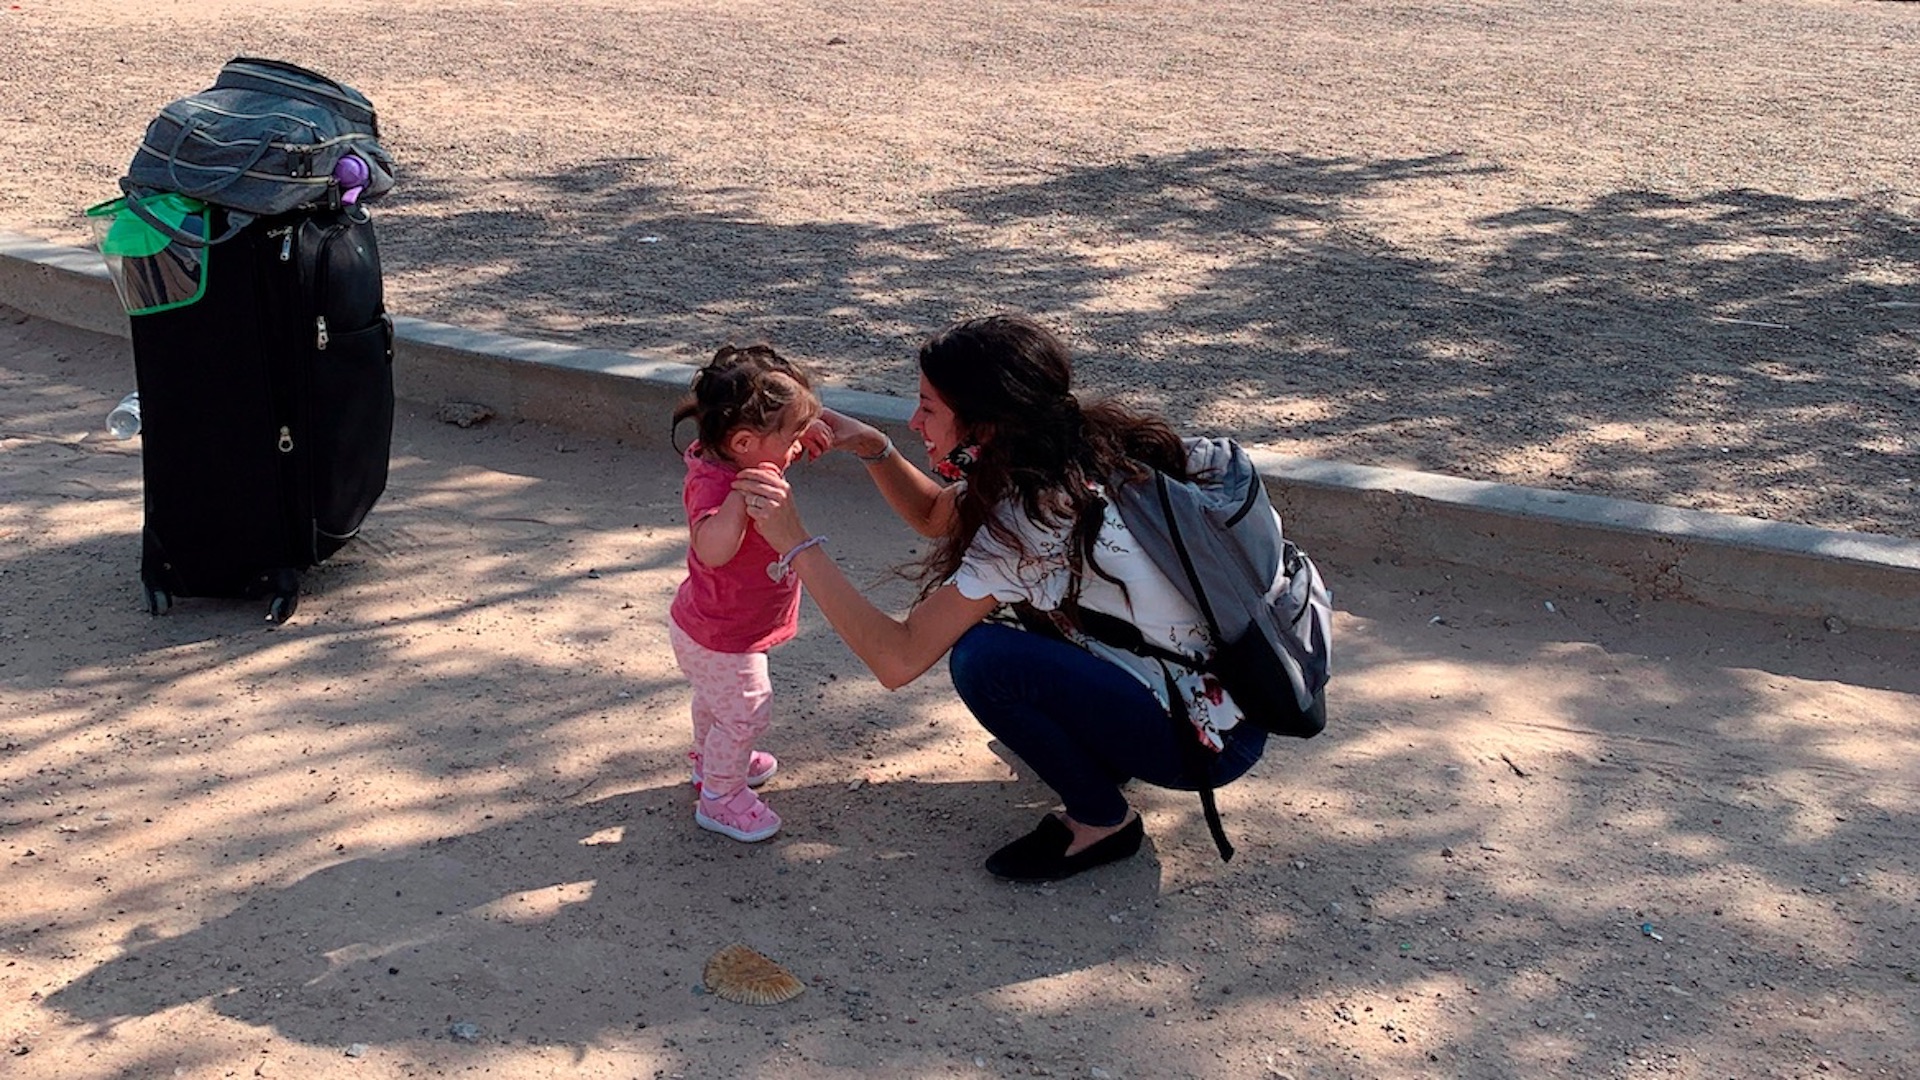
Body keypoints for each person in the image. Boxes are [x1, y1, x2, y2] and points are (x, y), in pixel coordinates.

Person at [733, 314, 1268, 881]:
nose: (915, 421)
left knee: (985, 658)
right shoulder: (1072, 449)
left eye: (928, 408)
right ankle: (1106, 754)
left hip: (1202, 742)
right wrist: (871, 446)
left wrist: (796, 544)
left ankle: (1101, 820)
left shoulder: (1036, 517)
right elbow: (937, 514)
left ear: (984, 426)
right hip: (1231, 701)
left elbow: (898, 658)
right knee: (1020, 622)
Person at [668, 344, 831, 843]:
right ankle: (720, 796)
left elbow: (770, 450)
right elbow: (712, 549)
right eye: (792, 437)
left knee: (717, 703)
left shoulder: (745, 458)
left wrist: (803, 430)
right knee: (746, 711)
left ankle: (710, 760)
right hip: (722, 635)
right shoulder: (717, 486)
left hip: (712, 624)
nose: (797, 448)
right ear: (742, 442)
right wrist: (738, 501)